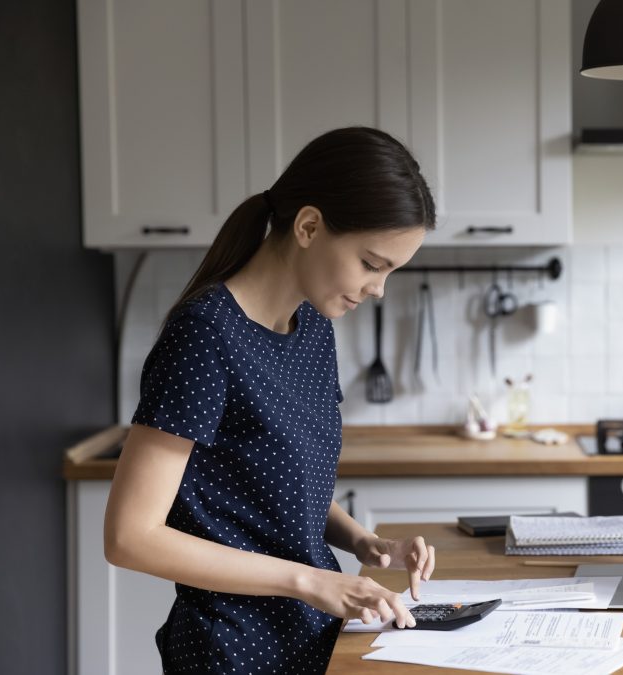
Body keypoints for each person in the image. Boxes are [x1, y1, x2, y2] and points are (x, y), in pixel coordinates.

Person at [104, 126, 437, 673]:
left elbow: (273, 484)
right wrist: (309, 580)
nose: (379, 289)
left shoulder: (312, 326)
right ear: (309, 226)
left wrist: (367, 542)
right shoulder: (205, 336)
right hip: (231, 651)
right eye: (372, 264)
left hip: (306, 640)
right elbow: (129, 537)